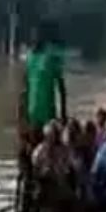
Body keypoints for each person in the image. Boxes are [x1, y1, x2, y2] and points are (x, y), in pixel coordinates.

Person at [19, 22, 68, 156]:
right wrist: (21, 115)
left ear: (43, 39)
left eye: (37, 37)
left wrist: (63, 114)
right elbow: (24, 88)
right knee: (32, 152)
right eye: (32, 37)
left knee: (49, 152)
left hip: (48, 115)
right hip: (32, 115)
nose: (34, 40)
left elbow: (61, 86)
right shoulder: (29, 58)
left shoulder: (51, 57)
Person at [31, 121, 76, 211]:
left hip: (61, 182)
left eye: (56, 135)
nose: (53, 139)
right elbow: (35, 169)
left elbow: (69, 165)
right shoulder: (40, 151)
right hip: (46, 183)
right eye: (51, 136)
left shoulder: (64, 150)